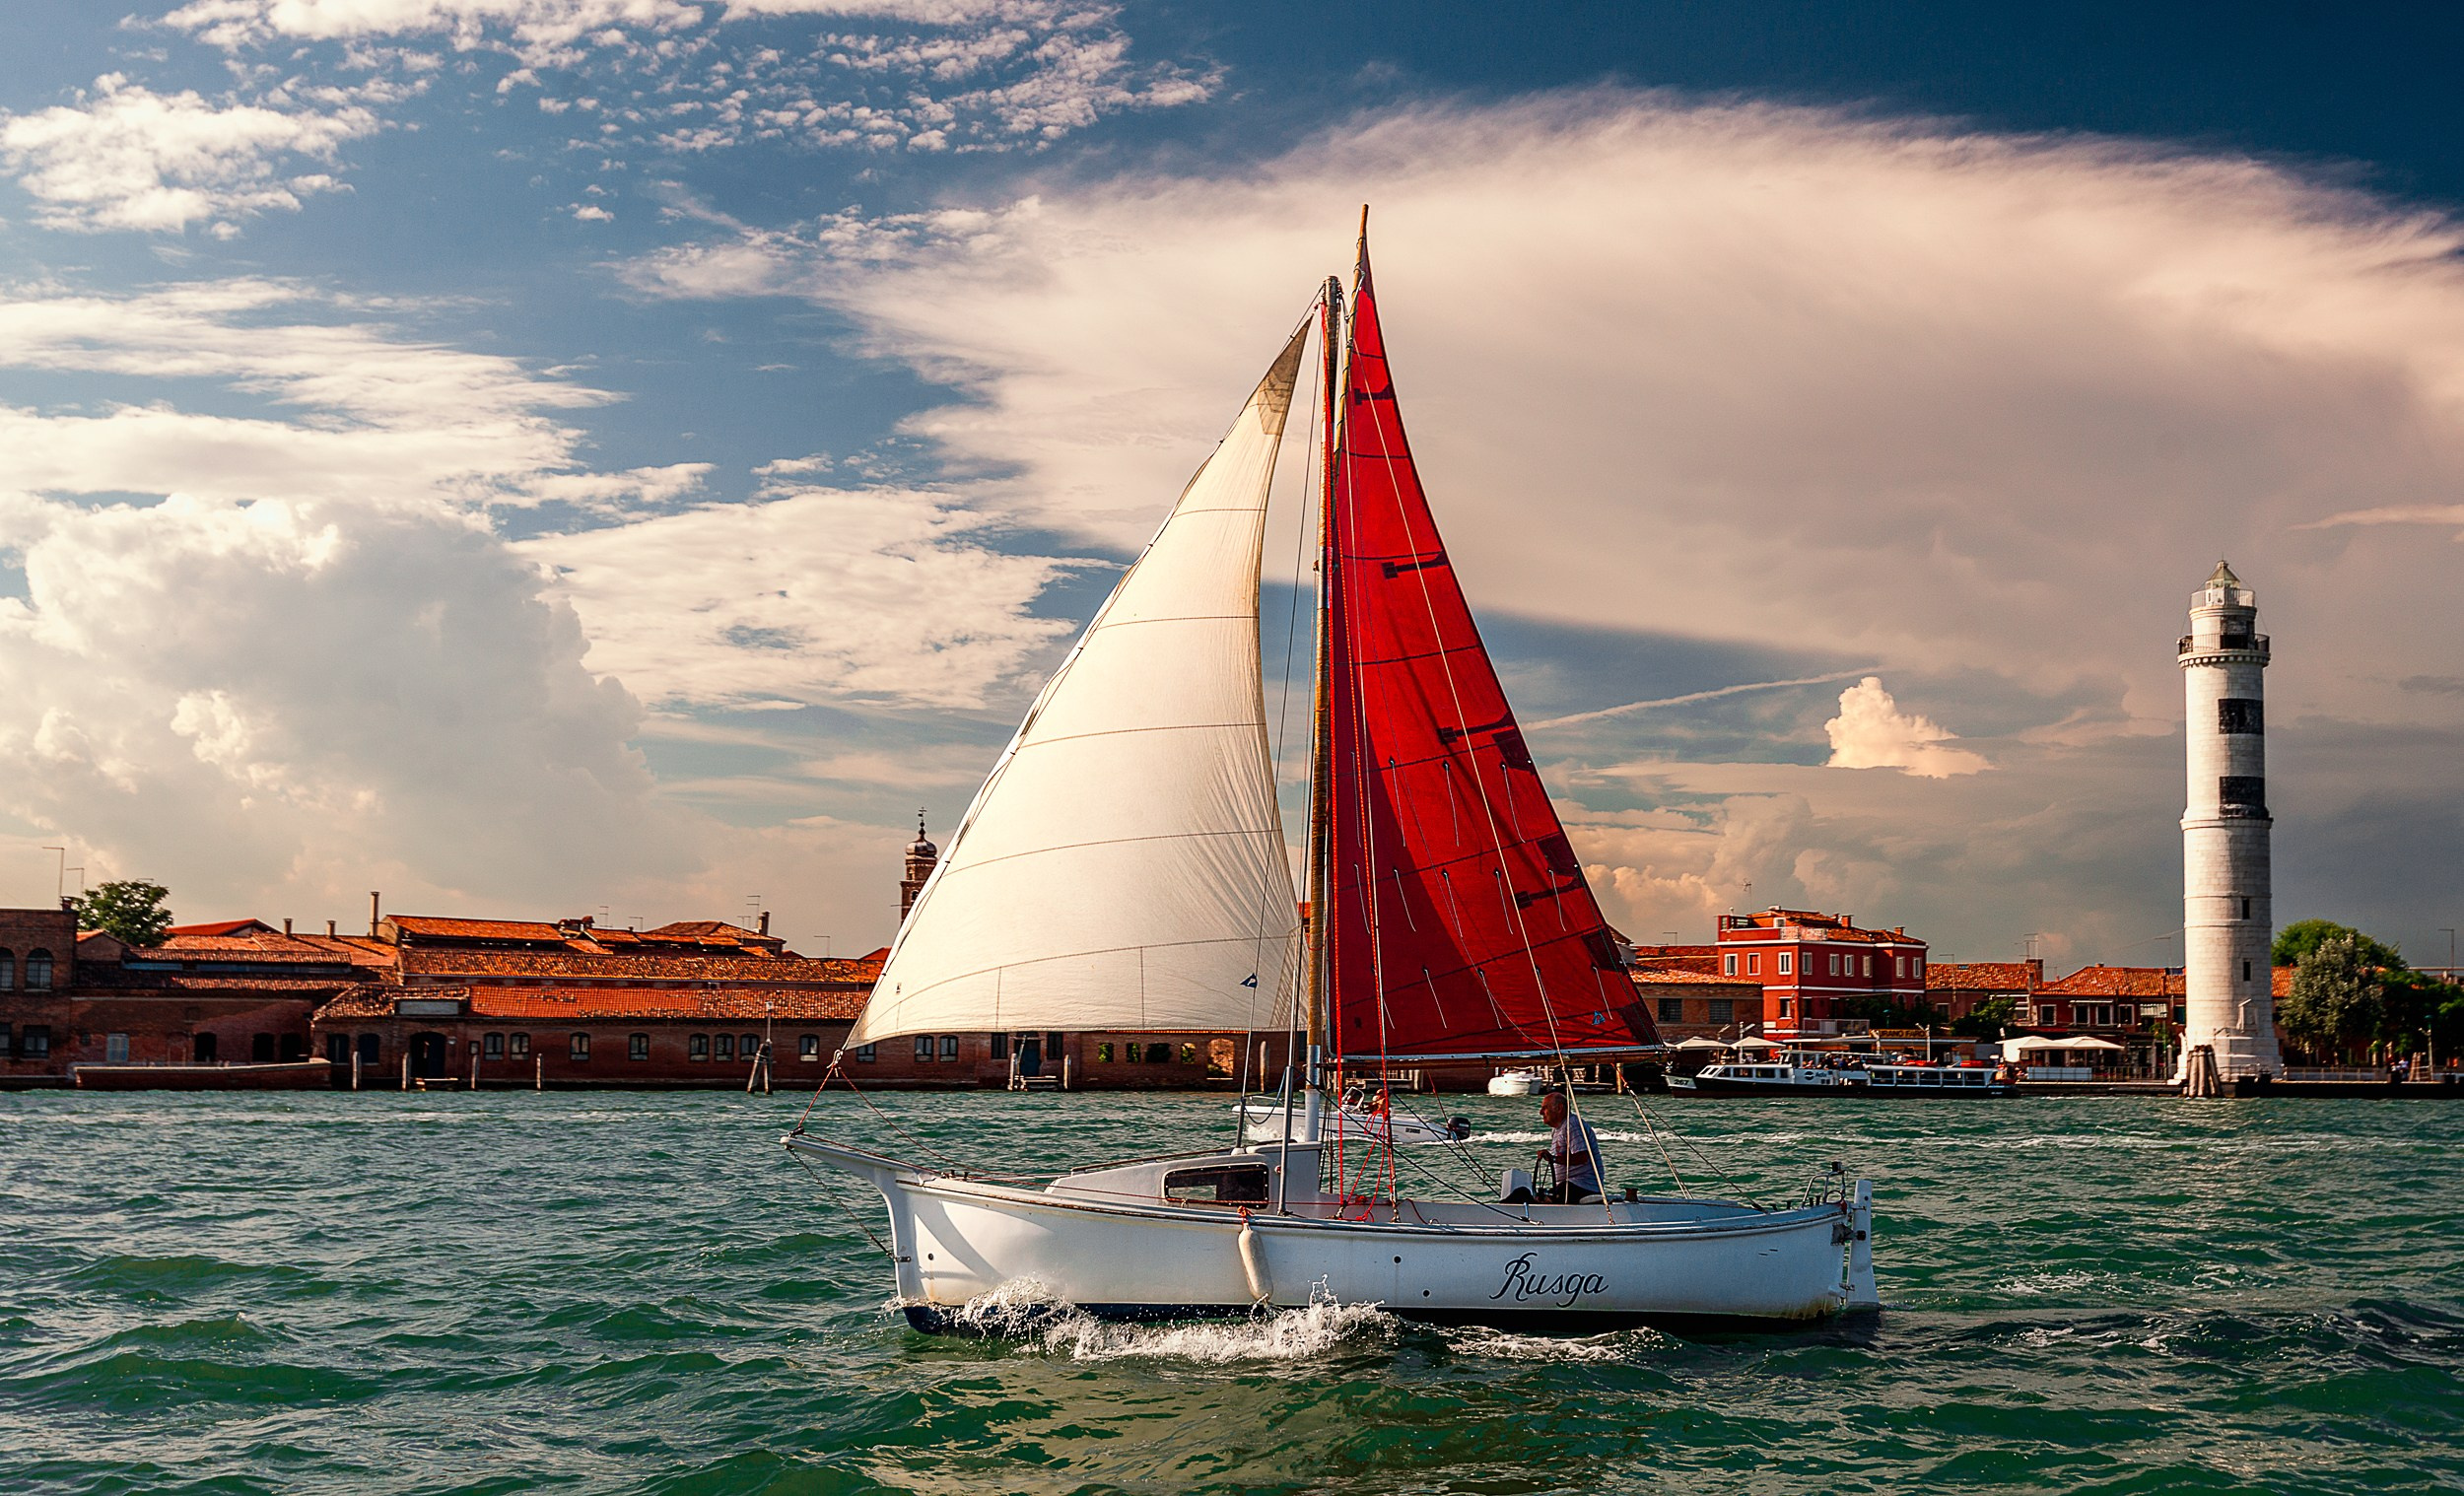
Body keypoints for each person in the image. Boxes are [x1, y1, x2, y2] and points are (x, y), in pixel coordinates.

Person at [1534, 1093, 1604, 1203]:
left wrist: (1554, 1159)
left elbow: (1582, 1157)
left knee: (1546, 1199)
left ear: (1559, 1108)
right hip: (1569, 1185)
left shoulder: (1571, 1125)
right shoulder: (1558, 1129)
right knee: (1538, 1196)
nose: (1541, 1112)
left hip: (1583, 1185)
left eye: (1545, 1108)